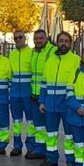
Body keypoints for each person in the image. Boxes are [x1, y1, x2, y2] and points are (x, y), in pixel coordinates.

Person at [39, 32, 80, 166]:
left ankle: (71, 161)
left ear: (70, 43)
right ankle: (51, 158)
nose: (63, 43)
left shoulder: (76, 60)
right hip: (50, 103)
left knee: (69, 135)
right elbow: (44, 83)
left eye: (66, 41)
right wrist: (42, 101)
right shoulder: (50, 60)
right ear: (57, 42)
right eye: (61, 41)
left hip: (67, 104)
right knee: (51, 133)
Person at [29, 29, 56, 159]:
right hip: (34, 95)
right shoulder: (34, 52)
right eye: (36, 38)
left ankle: (49, 152)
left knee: (49, 127)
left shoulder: (52, 52)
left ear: (46, 38)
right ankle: (40, 149)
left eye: (41, 38)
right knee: (38, 126)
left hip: (47, 95)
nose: (38, 40)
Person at [8, 30, 35, 157]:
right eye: (16, 38)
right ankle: (17, 146)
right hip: (14, 93)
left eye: (20, 37)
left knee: (30, 121)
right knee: (16, 121)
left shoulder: (32, 53)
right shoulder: (11, 54)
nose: (18, 39)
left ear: (25, 38)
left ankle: (31, 146)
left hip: (28, 92)